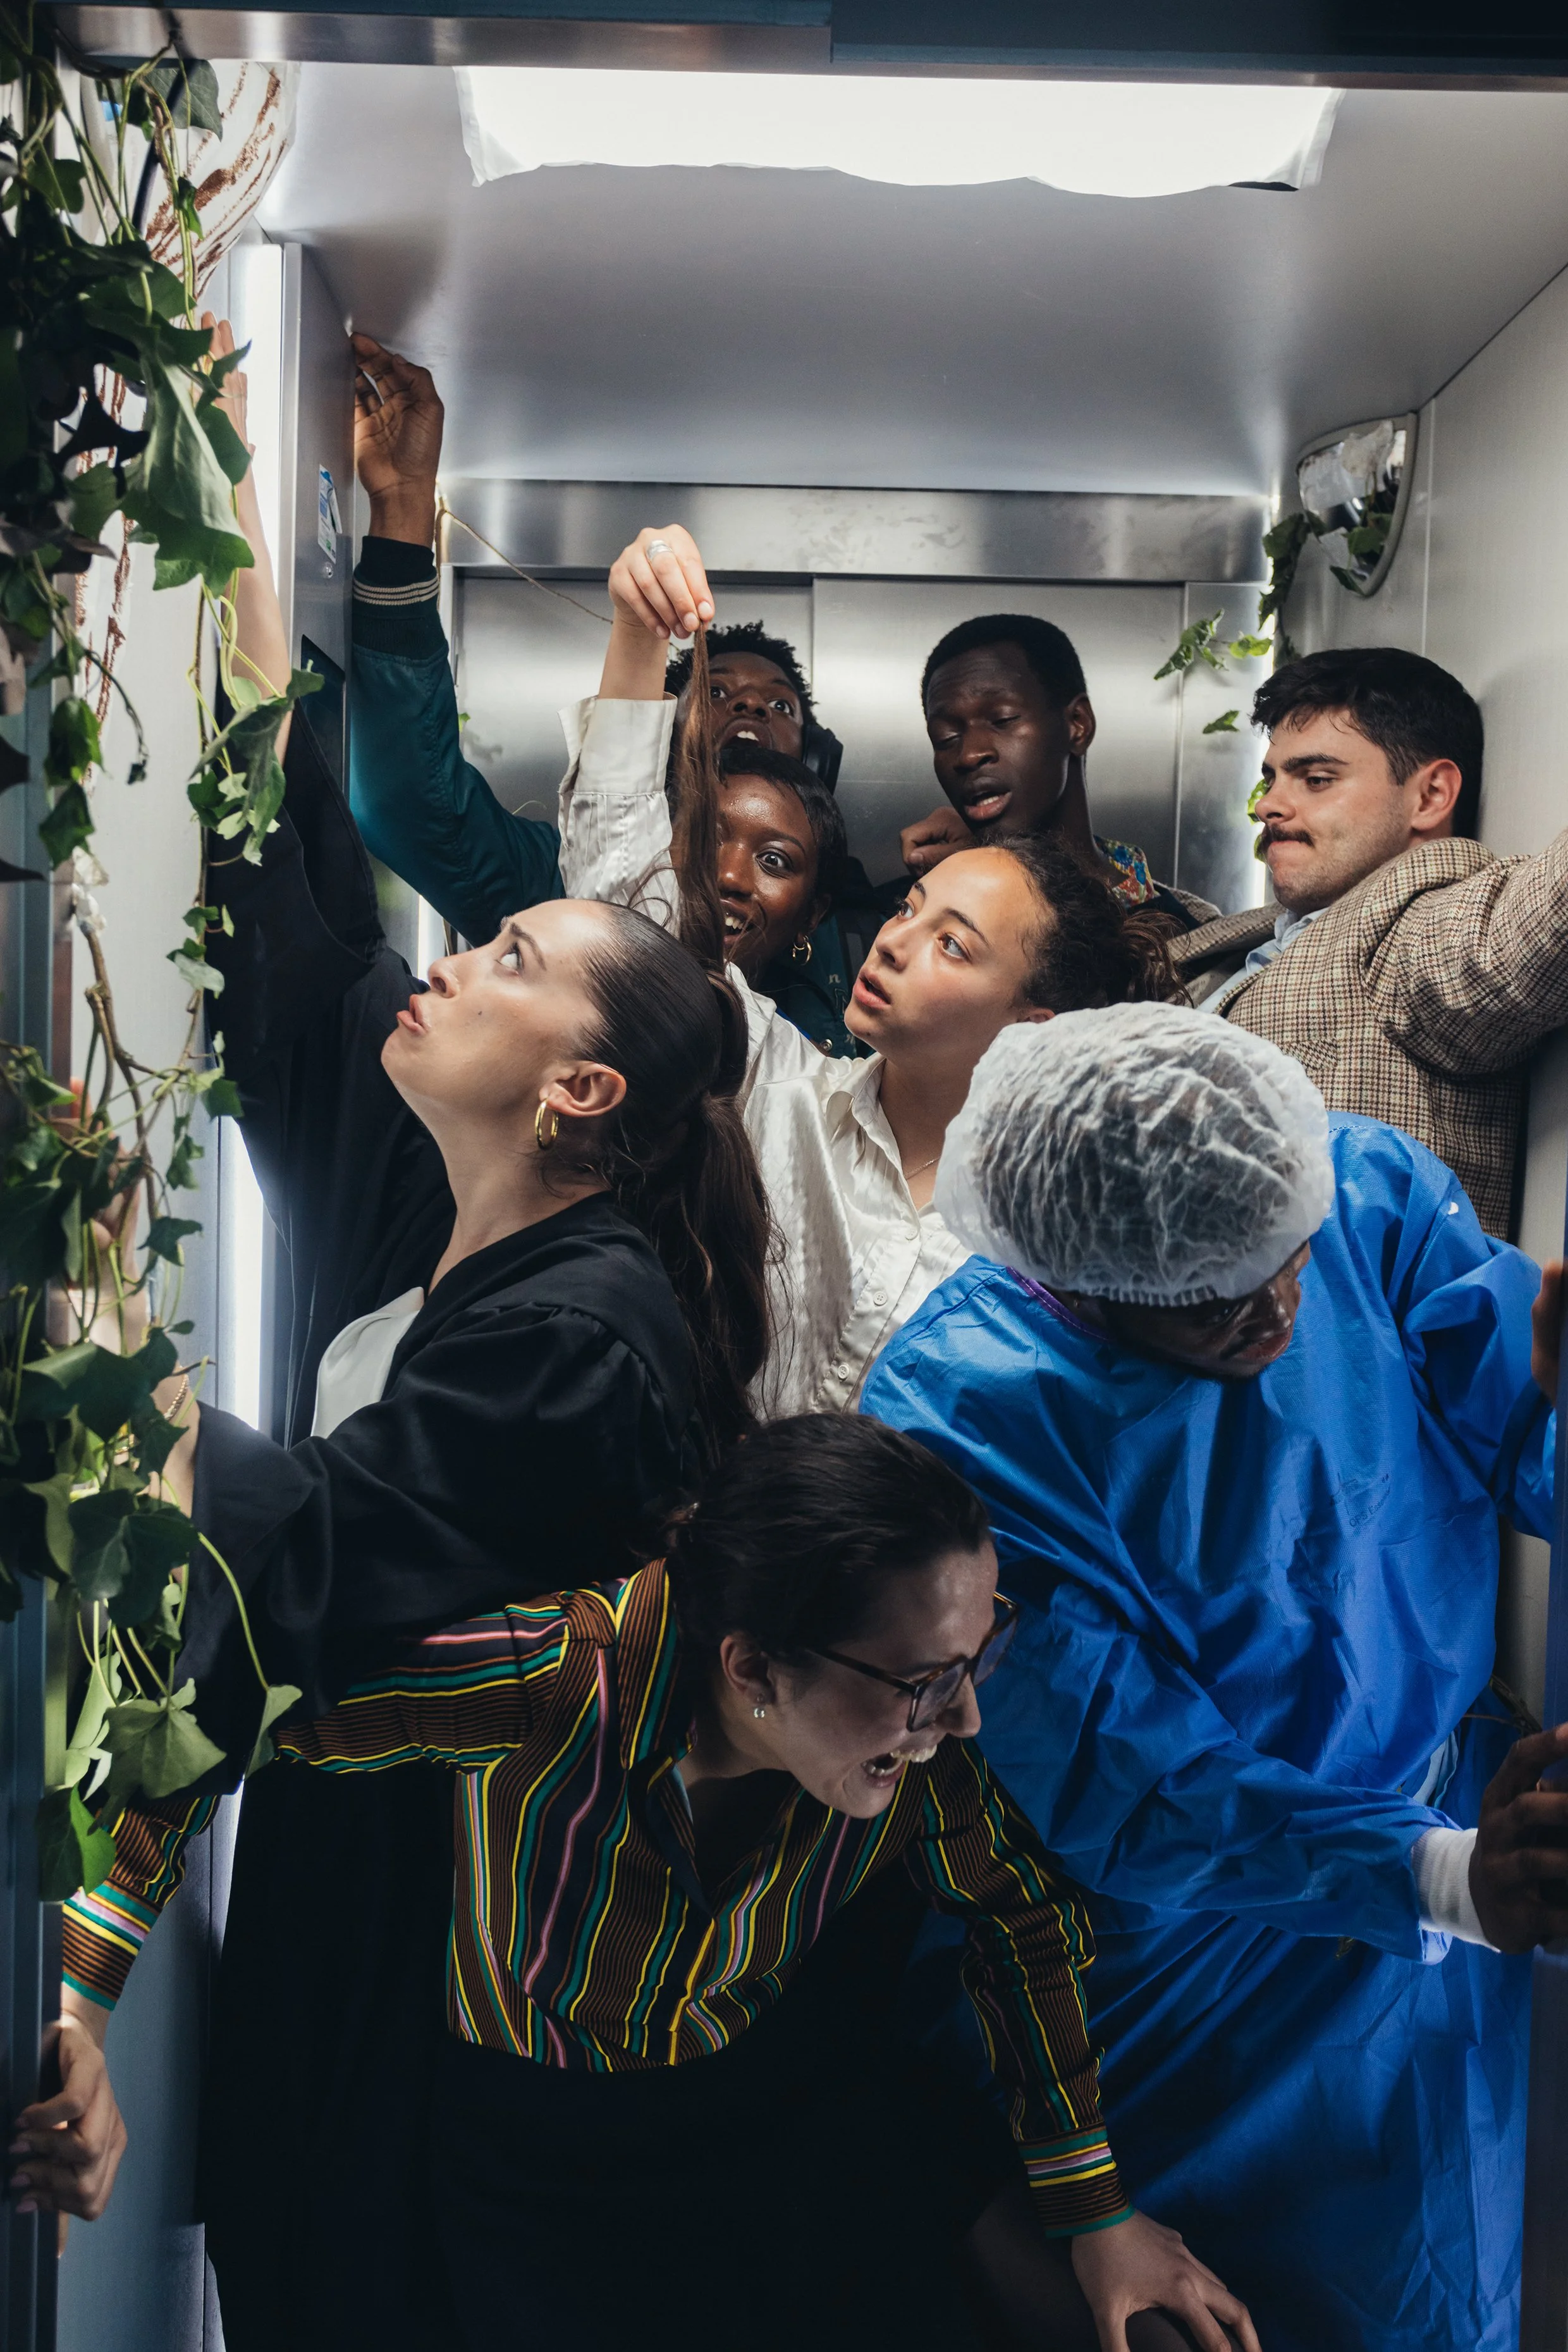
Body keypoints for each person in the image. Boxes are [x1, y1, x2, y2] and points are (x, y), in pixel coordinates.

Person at [8, 328, 771, 2352]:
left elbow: (306, 1580)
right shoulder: (441, 1210)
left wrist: (104, 1353)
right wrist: (236, 531)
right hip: (344, 1916)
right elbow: (302, 917)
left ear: (587, 1092)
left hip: (475, 1993)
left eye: (510, 954)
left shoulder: (593, 1345)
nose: (457, 958)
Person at [40, 1415, 1259, 2352]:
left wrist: (1093, 2206)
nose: (966, 1713)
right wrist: (79, 2011)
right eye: (926, 1678)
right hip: (519, 2169)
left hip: (763, 2134)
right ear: (753, 1667)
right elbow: (205, 1733)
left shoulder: (917, 1761)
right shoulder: (547, 1680)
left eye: (974, 1655)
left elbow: (1025, 1913)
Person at [863, 1002, 1567, 2352]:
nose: (1279, 1311)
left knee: (1437, 2286)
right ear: (1071, 1278)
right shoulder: (959, 1416)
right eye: (1214, 1295)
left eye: (1292, 1263)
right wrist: (1437, 1878)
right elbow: (1134, 1777)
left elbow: (1515, 1436)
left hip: (1437, 1858)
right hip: (1189, 1951)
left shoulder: (1357, 1188)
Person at [363, 523, 1182, 1418]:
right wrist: (638, 635)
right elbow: (638, 923)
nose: (897, 943)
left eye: (954, 943)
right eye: (910, 909)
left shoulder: (1061, 1224)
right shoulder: (783, 1089)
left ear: (1031, 1025)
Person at [346, 336, 869, 1052]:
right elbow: (407, 801)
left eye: (779, 705)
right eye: (718, 693)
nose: (749, 710)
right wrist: (404, 507)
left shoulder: (871, 953)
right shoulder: (564, 886)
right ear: (658, 738)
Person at [1172, 646, 1568, 1236]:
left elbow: (1541, 919)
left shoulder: (1409, 927)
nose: (1268, 806)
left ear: (1431, 796)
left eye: (1316, 779)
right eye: (1273, 778)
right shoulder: (1240, 941)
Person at [896, 615, 1217, 933]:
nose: (968, 755)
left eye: (1002, 720)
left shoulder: (1173, 940)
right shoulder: (912, 912)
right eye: (946, 738)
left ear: (1077, 725)